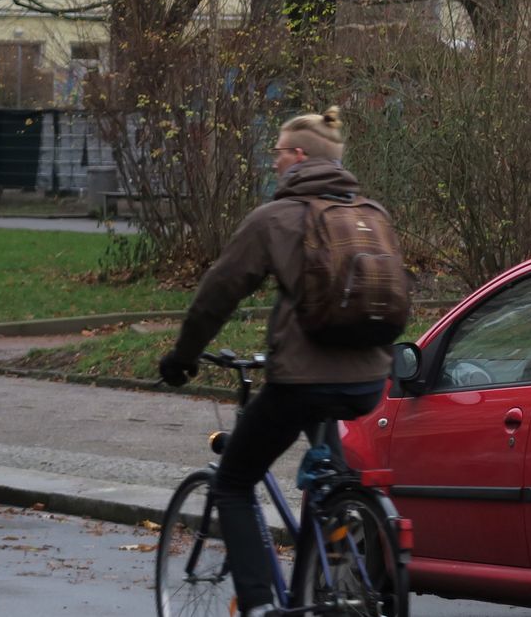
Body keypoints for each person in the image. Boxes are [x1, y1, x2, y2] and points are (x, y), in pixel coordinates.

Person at [158, 106, 391, 617]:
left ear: (299, 157)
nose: (274, 161)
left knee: (234, 482)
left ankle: (261, 605)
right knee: (328, 477)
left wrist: (182, 357)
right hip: (369, 381)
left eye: (279, 151)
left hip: (302, 382)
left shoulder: (275, 219)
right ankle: (333, 571)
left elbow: (217, 295)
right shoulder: (369, 214)